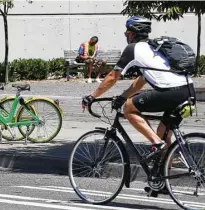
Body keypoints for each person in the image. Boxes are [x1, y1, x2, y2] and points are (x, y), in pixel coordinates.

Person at [82, 16, 196, 159]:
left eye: (127, 33)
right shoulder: (154, 48)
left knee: (129, 108)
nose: (126, 36)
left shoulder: (133, 49)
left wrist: (92, 96)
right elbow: (141, 81)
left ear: (132, 33)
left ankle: (156, 144)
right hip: (188, 91)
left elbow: (112, 77)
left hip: (170, 92)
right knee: (163, 136)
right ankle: (163, 177)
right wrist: (124, 96)